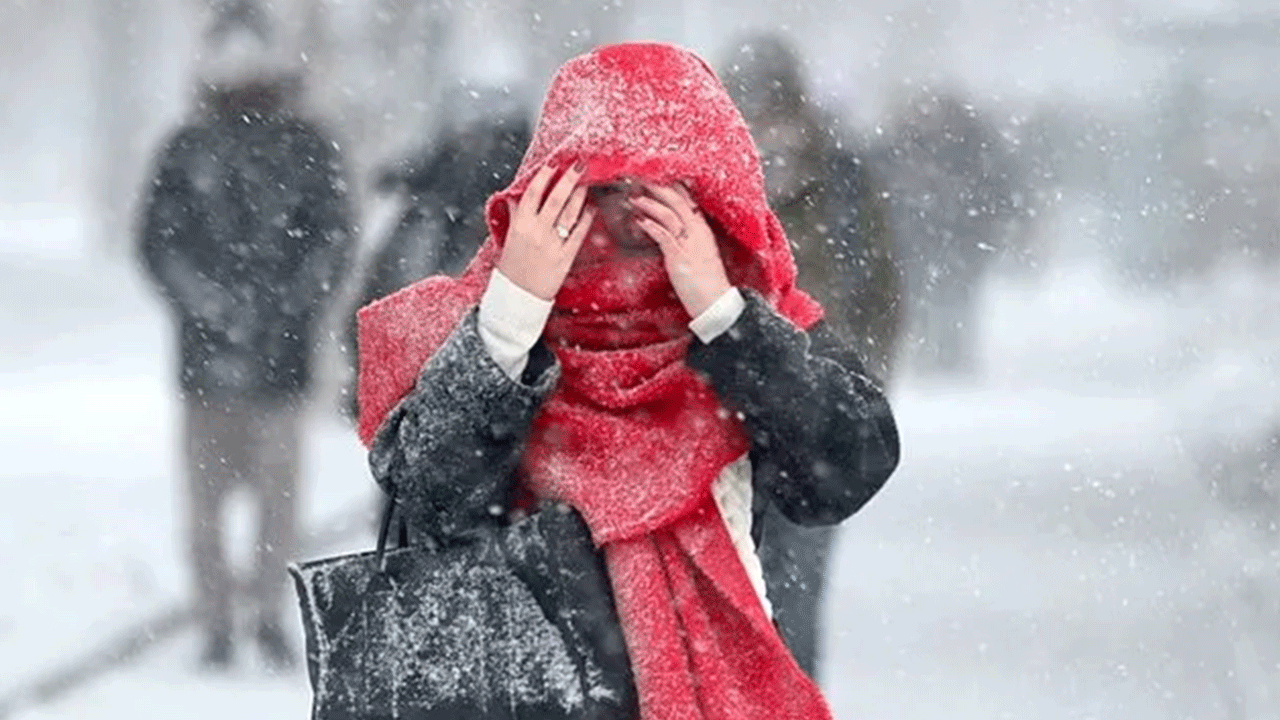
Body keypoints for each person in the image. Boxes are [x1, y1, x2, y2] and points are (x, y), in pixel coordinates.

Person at [355, 42, 899, 719]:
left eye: (658, 193)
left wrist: (725, 317)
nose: (622, 222)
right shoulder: (492, 322)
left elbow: (846, 468)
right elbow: (429, 500)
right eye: (600, 190)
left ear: (708, 194)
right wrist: (510, 316)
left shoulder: (751, 324)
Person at [136, 3, 355, 670]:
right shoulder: (187, 147)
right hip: (207, 367)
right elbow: (157, 243)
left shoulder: (307, 146)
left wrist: (285, 307)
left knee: (275, 508)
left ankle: (263, 616)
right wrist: (210, 306)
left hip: (279, 367)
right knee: (208, 511)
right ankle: (216, 622)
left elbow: (330, 241)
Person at [717, 31, 903, 680]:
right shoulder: (704, 182)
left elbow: (880, 289)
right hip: (719, 425)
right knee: (724, 609)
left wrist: (857, 385)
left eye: (771, 104)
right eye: (749, 105)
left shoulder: (842, 182)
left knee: (793, 598)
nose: (763, 121)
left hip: (812, 423)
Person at [340, 89, 532, 420]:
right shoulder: (426, 213)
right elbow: (377, 302)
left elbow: (375, 303)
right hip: (445, 399)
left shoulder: (425, 209)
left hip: (462, 400)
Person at [878, 85, 1017, 377]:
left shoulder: (970, 148)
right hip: (926, 242)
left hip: (958, 241)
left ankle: (952, 353)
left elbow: (992, 192)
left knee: (956, 299)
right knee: (927, 299)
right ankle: (934, 353)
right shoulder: (910, 145)